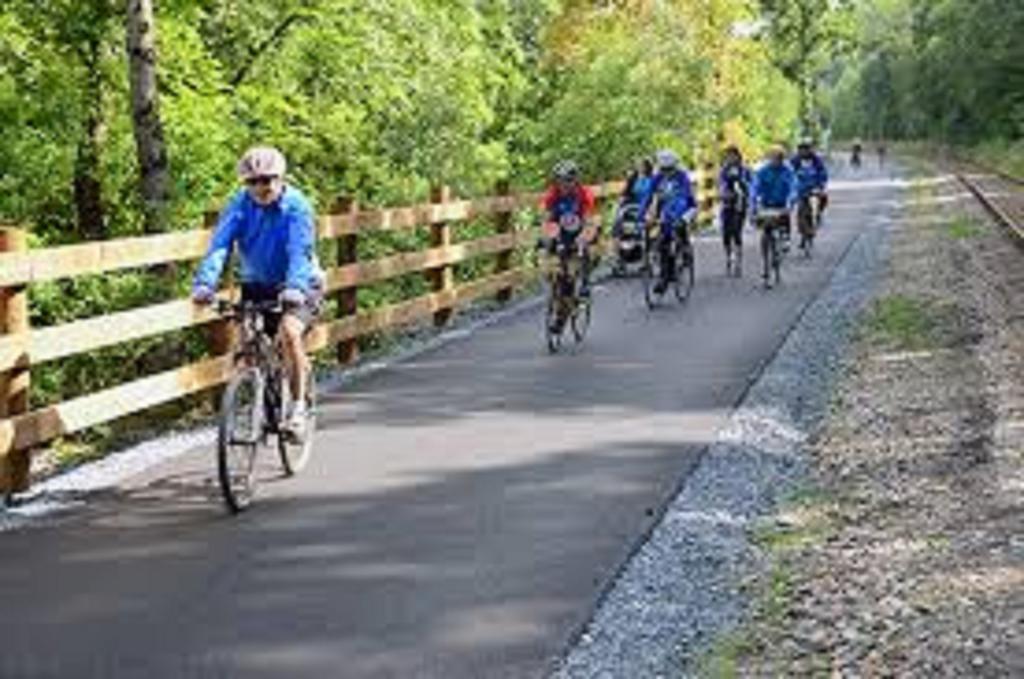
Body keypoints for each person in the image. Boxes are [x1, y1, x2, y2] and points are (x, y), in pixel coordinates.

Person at [192, 147, 322, 438]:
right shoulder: (239, 205)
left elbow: (300, 251)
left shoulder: (297, 207)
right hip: (257, 283)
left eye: (268, 180)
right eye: (252, 181)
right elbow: (220, 246)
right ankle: (256, 398)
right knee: (247, 345)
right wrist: (205, 283)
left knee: (289, 333)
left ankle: (298, 408)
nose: (261, 187)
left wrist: (295, 287)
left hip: (301, 284)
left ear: (281, 178)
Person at [637, 149, 698, 295]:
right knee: (663, 243)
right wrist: (640, 216)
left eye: (669, 169)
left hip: (685, 209)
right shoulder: (657, 177)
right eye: (663, 169)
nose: (666, 172)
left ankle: (685, 252)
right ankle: (664, 278)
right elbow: (648, 196)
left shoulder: (682, 176)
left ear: (675, 166)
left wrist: (677, 217)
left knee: (679, 229)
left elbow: (683, 198)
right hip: (667, 211)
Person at [540, 160, 598, 299]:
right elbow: (547, 218)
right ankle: (554, 277)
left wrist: (584, 236)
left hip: (580, 226)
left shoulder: (584, 194)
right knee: (548, 245)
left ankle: (585, 282)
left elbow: (588, 220)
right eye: (559, 181)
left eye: (567, 181)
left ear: (575, 181)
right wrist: (547, 235)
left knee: (583, 246)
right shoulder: (553, 194)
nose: (563, 185)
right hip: (560, 226)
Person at [751, 145, 797, 284]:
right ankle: (766, 265)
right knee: (766, 233)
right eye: (774, 157)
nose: (776, 160)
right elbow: (755, 188)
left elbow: (793, 188)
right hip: (766, 206)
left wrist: (789, 203)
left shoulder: (788, 171)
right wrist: (754, 203)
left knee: (784, 227)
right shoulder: (762, 172)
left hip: (782, 206)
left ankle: (785, 240)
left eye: (779, 158)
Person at [611, 158, 654, 272]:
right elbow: (625, 194)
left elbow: (655, 197)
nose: (640, 167)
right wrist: (619, 204)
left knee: (647, 229)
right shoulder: (633, 178)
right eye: (638, 165)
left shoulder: (653, 179)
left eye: (642, 165)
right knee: (618, 227)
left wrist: (651, 210)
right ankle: (618, 259)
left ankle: (647, 260)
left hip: (647, 209)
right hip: (631, 208)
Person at [718, 145, 752, 273]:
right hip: (727, 203)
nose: (730, 158)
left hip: (740, 203)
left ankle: (738, 260)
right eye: (728, 156)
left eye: (733, 155)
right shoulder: (724, 170)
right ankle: (728, 257)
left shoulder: (744, 170)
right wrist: (722, 193)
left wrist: (744, 187)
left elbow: (751, 184)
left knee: (736, 232)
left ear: (738, 156)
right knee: (726, 234)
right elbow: (720, 184)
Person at [791, 137, 829, 224]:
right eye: (802, 148)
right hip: (800, 187)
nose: (804, 151)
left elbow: (822, 172)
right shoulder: (795, 160)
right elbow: (789, 173)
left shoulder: (816, 160)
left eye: (806, 148)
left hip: (814, 185)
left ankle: (819, 211)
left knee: (823, 196)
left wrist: (821, 184)